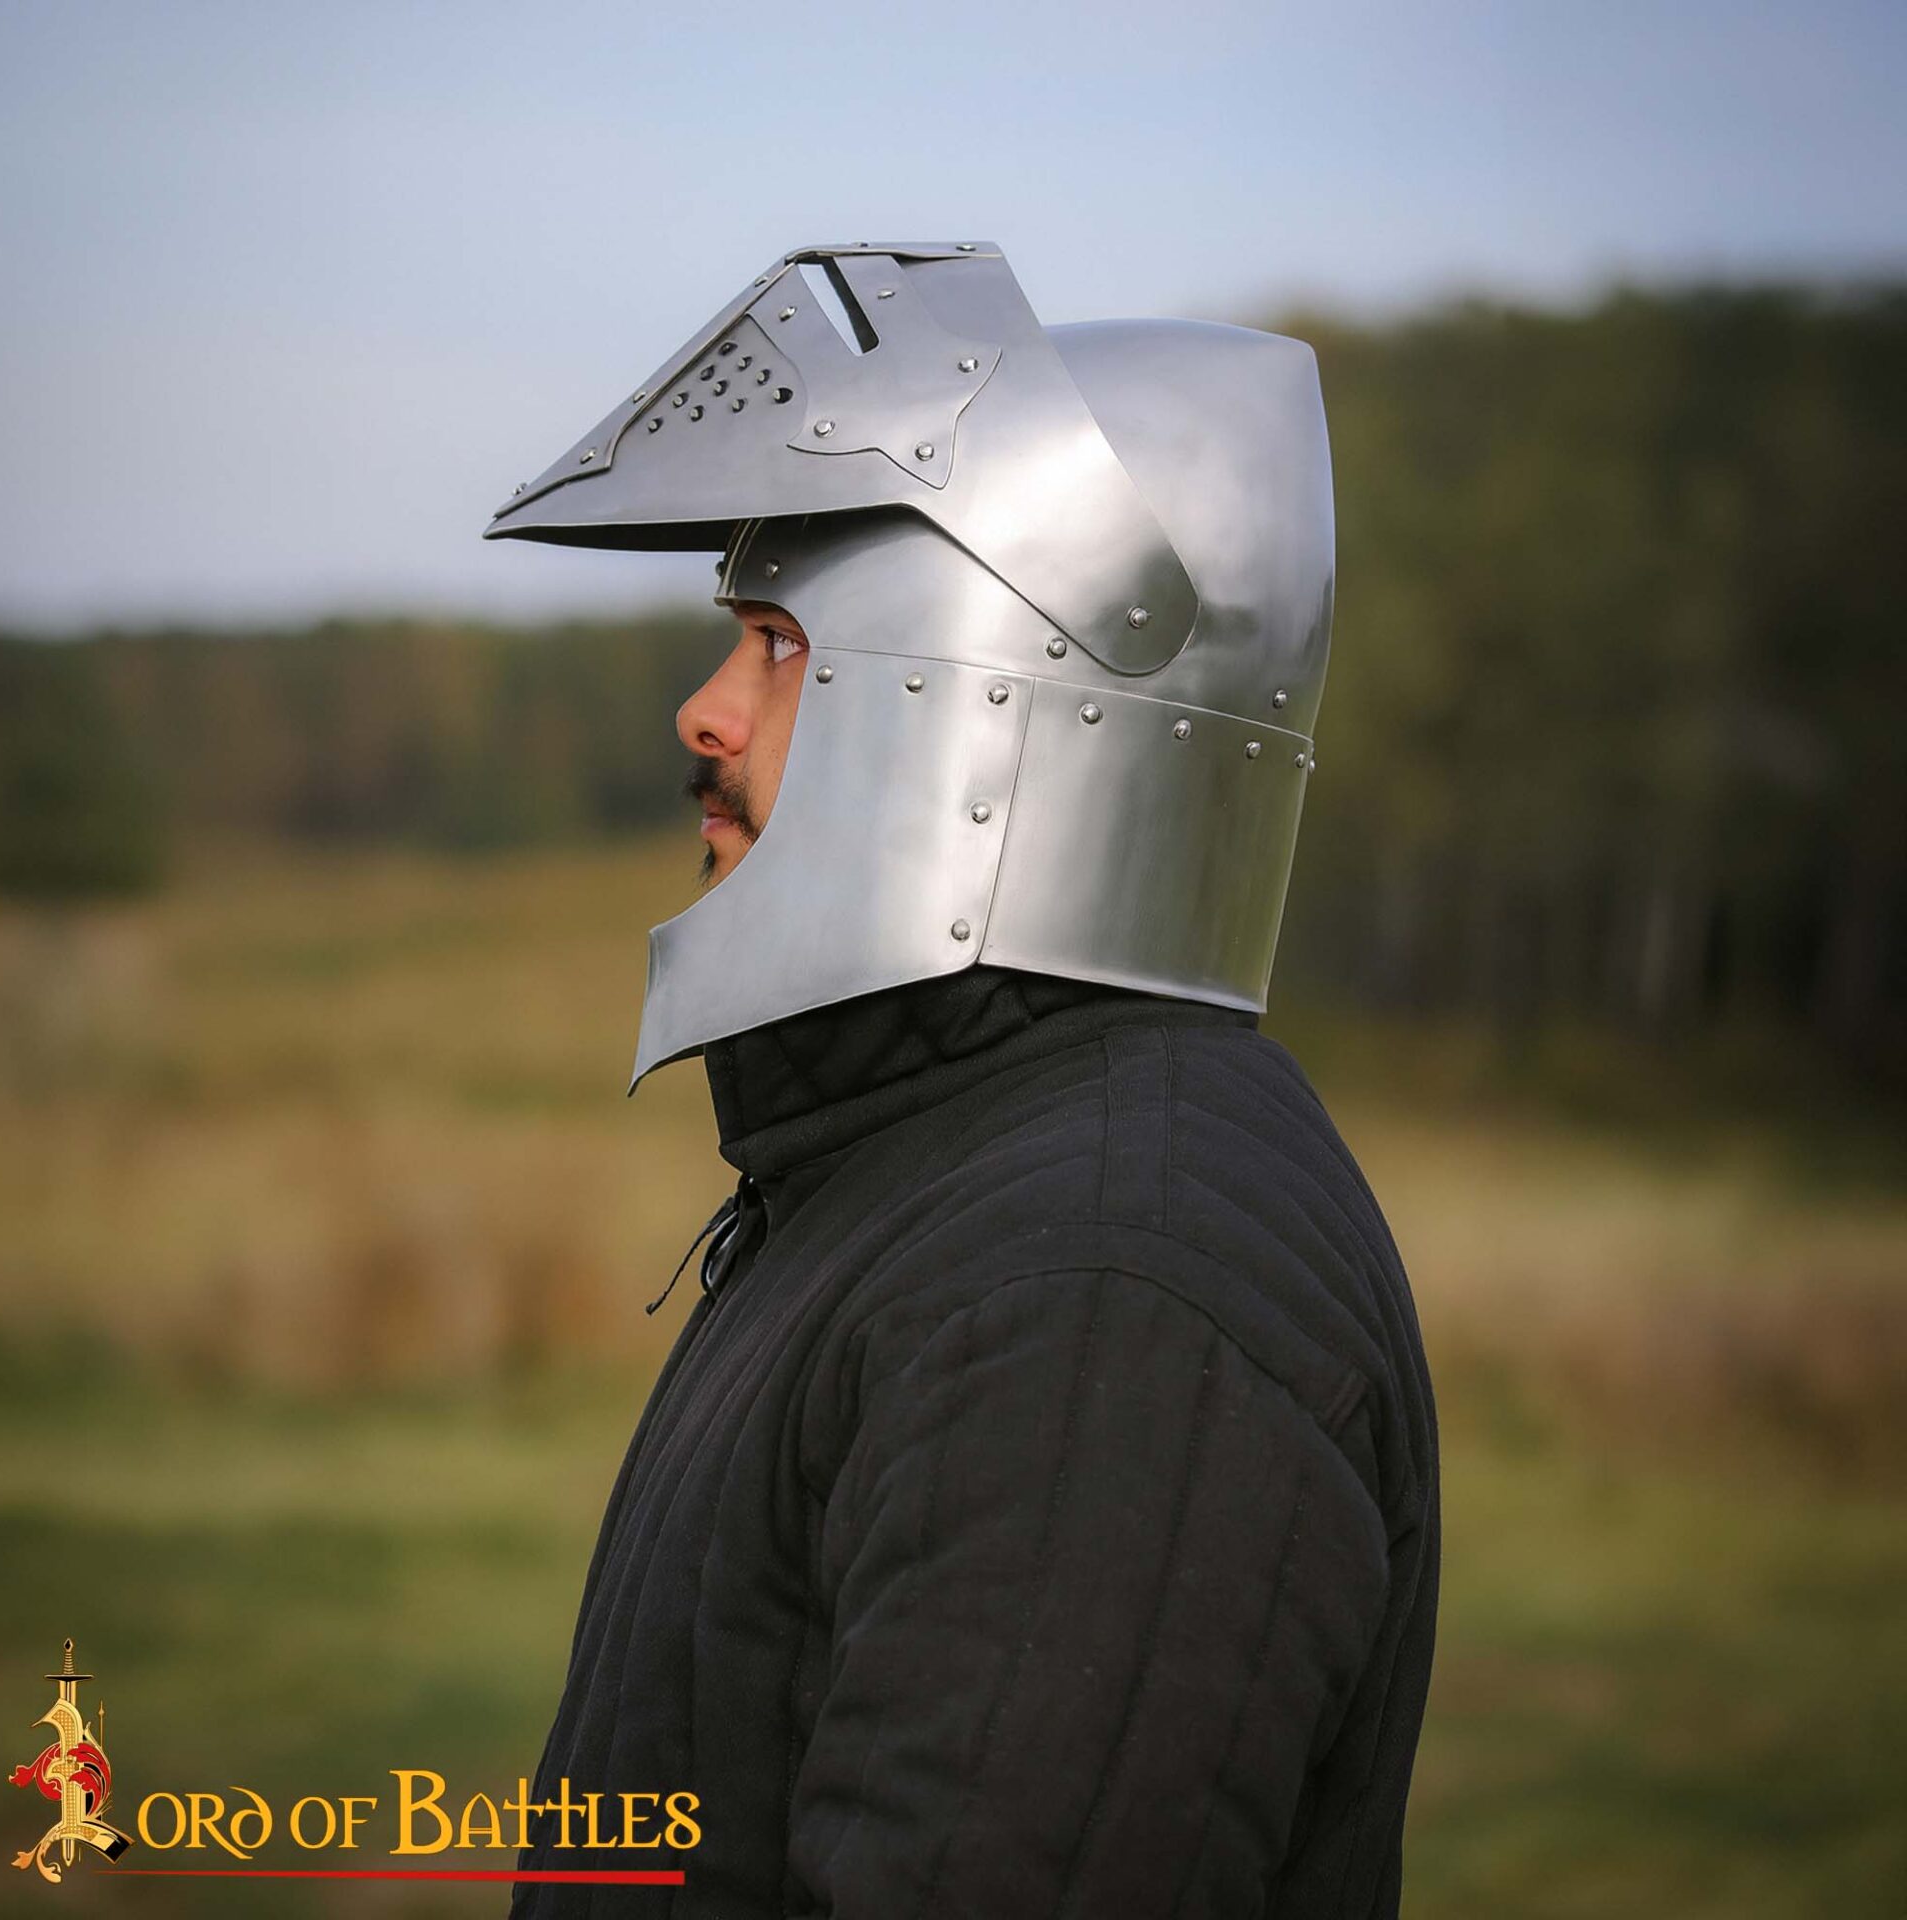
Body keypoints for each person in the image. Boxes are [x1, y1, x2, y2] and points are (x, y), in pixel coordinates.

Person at [484, 240, 1438, 1919]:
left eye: (785, 646)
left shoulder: (1104, 1289)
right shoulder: (940, 1166)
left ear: (1003, 703)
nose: (703, 714)